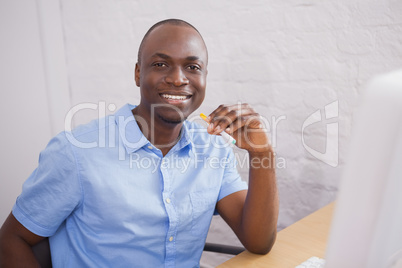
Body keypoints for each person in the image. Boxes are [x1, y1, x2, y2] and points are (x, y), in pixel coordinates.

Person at [0, 19, 278, 267]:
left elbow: (258, 241)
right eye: (161, 64)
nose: (178, 79)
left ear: (204, 77)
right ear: (137, 73)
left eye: (192, 67)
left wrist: (262, 153)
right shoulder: (76, 152)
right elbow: (11, 240)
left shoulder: (213, 148)